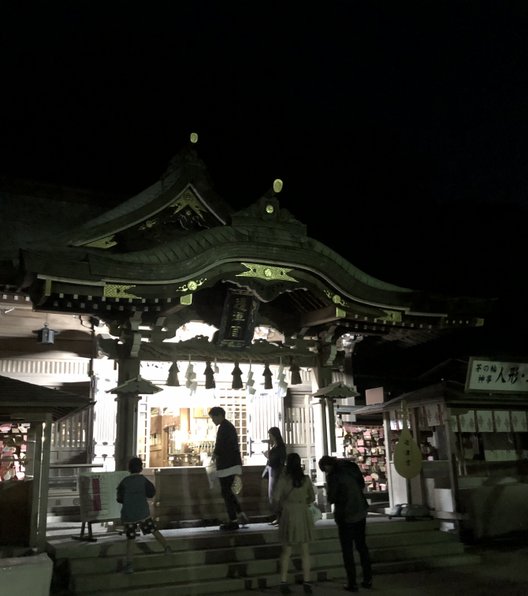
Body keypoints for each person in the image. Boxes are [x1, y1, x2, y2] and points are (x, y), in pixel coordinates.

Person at [318, 455, 372, 592]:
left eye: (325, 470)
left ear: (327, 466)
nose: (326, 472)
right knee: (362, 546)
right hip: (360, 510)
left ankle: (352, 582)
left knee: (347, 550)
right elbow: (361, 484)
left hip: (345, 514)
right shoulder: (351, 466)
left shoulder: (333, 475)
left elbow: (332, 497)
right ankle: (368, 579)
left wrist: (329, 496)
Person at [116, 456, 171, 574]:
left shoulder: (124, 482)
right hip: (143, 513)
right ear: (141, 468)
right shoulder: (144, 480)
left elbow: (119, 499)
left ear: (129, 469)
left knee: (130, 539)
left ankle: (129, 564)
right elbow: (151, 493)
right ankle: (166, 547)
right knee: (153, 530)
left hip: (129, 514)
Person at [274, 452, 315, 595]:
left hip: (288, 513)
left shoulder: (284, 479)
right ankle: (307, 581)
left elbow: (276, 497)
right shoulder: (306, 479)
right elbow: (312, 497)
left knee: (286, 551)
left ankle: (283, 581)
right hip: (302, 512)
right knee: (305, 551)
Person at [208, 406, 249, 530]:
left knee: (225, 492)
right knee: (228, 492)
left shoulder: (223, 428)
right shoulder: (229, 426)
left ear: (219, 415)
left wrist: (214, 456)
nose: (213, 421)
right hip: (232, 463)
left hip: (227, 465)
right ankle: (239, 514)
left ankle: (233, 520)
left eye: (213, 417)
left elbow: (220, 445)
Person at [262, 426, 287, 525]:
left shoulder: (279, 447)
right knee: (273, 495)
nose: (270, 437)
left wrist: (268, 455)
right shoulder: (277, 446)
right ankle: (278, 516)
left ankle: (279, 516)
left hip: (276, 471)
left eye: (270, 435)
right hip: (274, 471)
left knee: (274, 495)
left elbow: (275, 459)